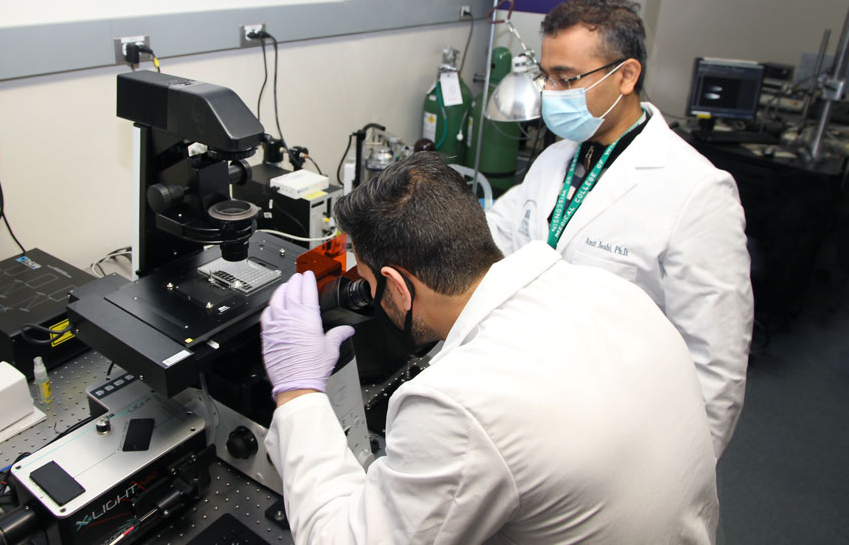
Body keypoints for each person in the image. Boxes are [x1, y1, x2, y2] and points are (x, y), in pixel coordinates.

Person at [260, 152, 718, 544]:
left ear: (397, 287)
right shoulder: (611, 289)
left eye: (368, 284)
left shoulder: (460, 406)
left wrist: (298, 393)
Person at [485, 0, 753, 458]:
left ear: (626, 76)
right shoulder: (556, 159)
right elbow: (493, 235)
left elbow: (716, 364)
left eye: (566, 78)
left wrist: (684, 473)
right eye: (546, 75)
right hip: (534, 393)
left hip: (626, 429)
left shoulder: (698, 191)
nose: (551, 92)